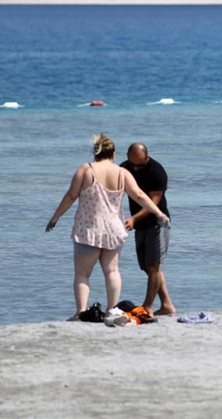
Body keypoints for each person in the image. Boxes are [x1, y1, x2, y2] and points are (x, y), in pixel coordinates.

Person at [46, 134, 169, 321]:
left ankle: (81, 312)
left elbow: (71, 196)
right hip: (114, 229)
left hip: (89, 229)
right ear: (114, 153)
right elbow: (139, 195)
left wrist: (55, 217)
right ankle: (112, 310)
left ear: (95, 153)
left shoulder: (86, 170)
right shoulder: (122, 172)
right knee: (112, 271)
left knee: (82, 274)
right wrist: (159, 213)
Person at [120, 142, 176, 316]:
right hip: (139, 225)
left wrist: (134, 219)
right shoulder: (124, 168)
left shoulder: (157, 172)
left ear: (147, 158)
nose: (135, 169)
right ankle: (167, 305)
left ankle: (148, 307)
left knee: (153, 267)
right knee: (147, 267)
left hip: (156, 222)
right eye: (132, 165)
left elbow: (153, 203)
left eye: (139, 165)